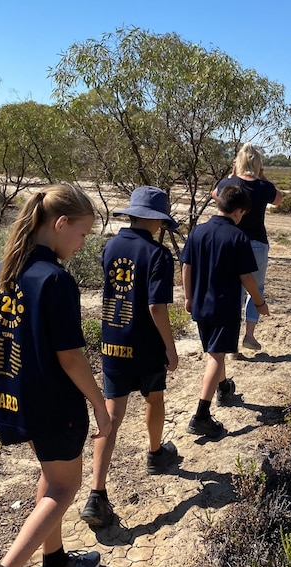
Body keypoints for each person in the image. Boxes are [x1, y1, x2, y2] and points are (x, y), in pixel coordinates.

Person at [0, 182, 111, 567]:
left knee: (50, 475)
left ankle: (55, 563)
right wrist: (99, 404)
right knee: (63, 488)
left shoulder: (2, 271)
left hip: (17, 394)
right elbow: (71, 358)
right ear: (60, 223)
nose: (82, 244)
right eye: (82, 234)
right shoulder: (54, 280)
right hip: (55, 403)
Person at [79, 186, 181, 528]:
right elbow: (156, 305)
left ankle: (97, 494)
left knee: (110, 417)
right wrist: (170, 347)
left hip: (113, 343)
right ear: (156, 220)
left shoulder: (110, 246)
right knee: (155, 398)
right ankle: (155, 454)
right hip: (146, 346)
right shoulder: (159, 255)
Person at [181, 185, 269, 438]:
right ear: (239, 212)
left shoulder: (198, 231)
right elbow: (247, 278)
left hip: (200, 303)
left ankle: (223, 388)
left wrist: (188, 296)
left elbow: (186, 266)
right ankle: (201, 415)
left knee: (213, 350)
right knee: (216, 357)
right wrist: (259, 302)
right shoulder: (237, 237)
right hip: (224, 306)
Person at [211, 142, 283, 351]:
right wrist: (263, 177)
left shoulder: (229, 184)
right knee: (256, 289)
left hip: (230, 242)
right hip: (257, 243)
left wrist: (232, 176)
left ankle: (231, 340)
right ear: (259, 165)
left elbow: (215, 195)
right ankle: (249, 335)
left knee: (234, 290)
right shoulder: (263, 187)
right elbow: (279, 199)